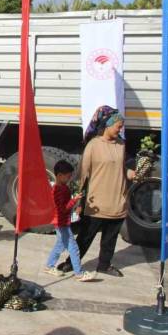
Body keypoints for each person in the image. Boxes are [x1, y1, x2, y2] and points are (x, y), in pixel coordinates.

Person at [58, 106, 134, 277]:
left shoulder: (121, 145)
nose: (120, 129)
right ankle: (71, 262)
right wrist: (78, 201)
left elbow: (124, 168)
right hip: (96, 203)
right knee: (85, 237)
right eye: (118, 126)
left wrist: (133, 173)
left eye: (121, 126)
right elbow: (82, 175)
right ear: (108, 124)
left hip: (117, 203)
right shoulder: (93, 146)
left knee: (110, 239)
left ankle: (104, 265)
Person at [43, 160, 95, 282]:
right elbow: (62, 209)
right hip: (61, 222)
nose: (69, 178)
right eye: (68, 176)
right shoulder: (57, 190)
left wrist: (74, 205)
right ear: (60, 175)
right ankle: (79, 273)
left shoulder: (63, 187)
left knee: (60, 245)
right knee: (73, 247)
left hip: (62, 222)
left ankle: (49, 266)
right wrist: (74, 200)